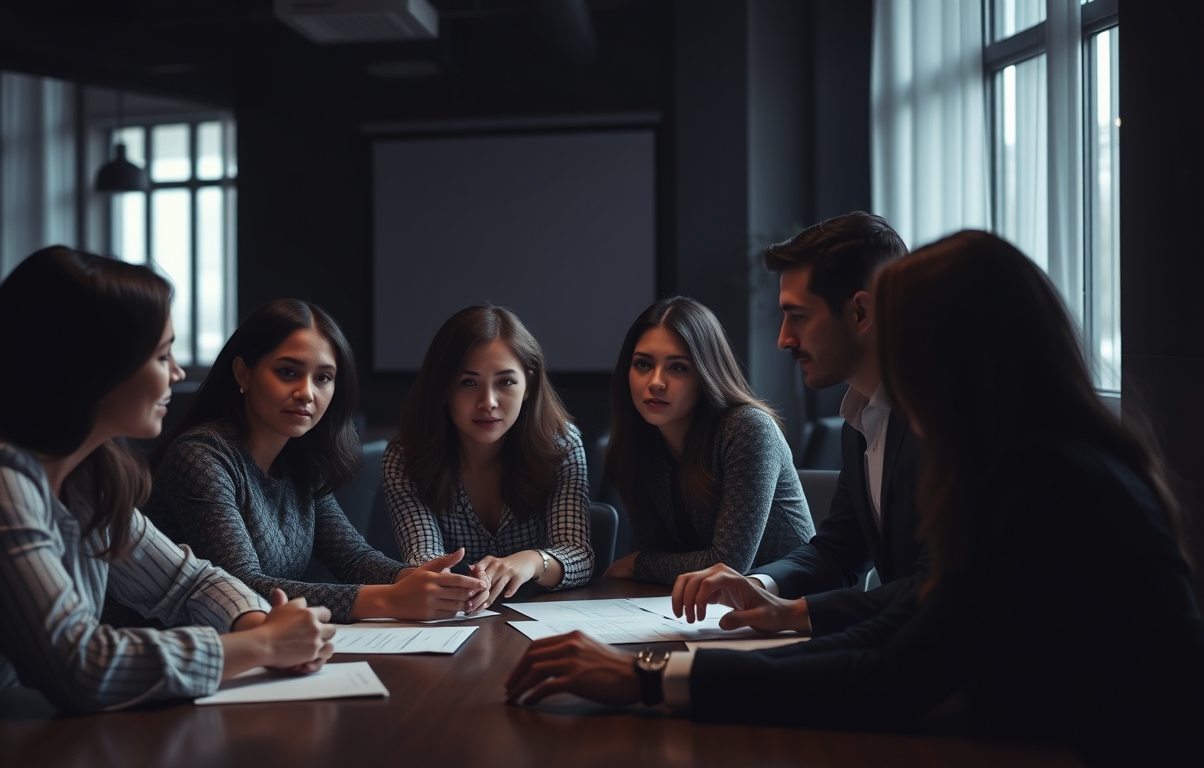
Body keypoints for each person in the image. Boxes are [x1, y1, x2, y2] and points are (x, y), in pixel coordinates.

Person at [505, 232, 1204, 768]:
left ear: (959, 356)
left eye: (903, 345)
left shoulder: (1048, 484)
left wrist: (648, 678)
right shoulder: (1022, 466)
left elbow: (894, 674)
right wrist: (656, 671)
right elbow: (897, 628)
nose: (892, 374)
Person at [0, 248, 335, 759]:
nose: (178, 374)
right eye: (161, 356)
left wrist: (258, 623)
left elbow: (186, 582)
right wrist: (263, 646)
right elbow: (81, 665)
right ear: (94, 368)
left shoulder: (89, 475)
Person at [144, 299, 488, 622]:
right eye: (288, 372)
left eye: (323, 378)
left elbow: (353, 559)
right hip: (174, 656)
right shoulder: (201, 456)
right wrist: (389, 599)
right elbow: (240, 587)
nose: (307, 392)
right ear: (243, 374)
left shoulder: (300, 460)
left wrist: (414, 577)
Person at [716, 212, 923, 636]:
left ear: (860, 312)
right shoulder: (859, 420)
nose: (783, 339)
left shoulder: (937, 425)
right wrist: (757, 585)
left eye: (798, 316)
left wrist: (793, 614)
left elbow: (933, 587)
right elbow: (838, 552)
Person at [384, 305, 593, 607]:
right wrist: (454, 580)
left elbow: (578, 554)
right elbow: (424, 559)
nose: (488, 402)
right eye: (468, 382)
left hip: (542, 620)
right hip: (457, 615)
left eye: (506, 382)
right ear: (443, 388)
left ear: (529, 385)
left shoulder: (560, 445)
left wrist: (530, 562)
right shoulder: (406, 456)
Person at [600, 296, 813, 585]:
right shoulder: (639, 444)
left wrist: (637, 564)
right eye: (643, 364)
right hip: (698, 608)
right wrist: (643, 563)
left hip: (790, 604)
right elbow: (654, 553)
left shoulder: (748, 429)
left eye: (677, 367)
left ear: (705, 373)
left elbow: (727, 566)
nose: (656, 382)